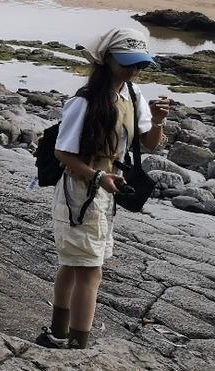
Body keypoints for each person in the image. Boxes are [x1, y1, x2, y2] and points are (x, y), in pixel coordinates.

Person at [36, 27, 171, 349]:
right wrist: (98, 178)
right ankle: (78, 345)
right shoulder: (83, 103)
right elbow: (63, 153)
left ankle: (58, 333)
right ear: (106, 59)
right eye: (127, 63)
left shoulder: (132, 96)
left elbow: (149, 144)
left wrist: (158, 119)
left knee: (73, 264)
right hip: (80, 193)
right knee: (90, 270)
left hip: (105, 190)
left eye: (140, 64)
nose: (134, 70)